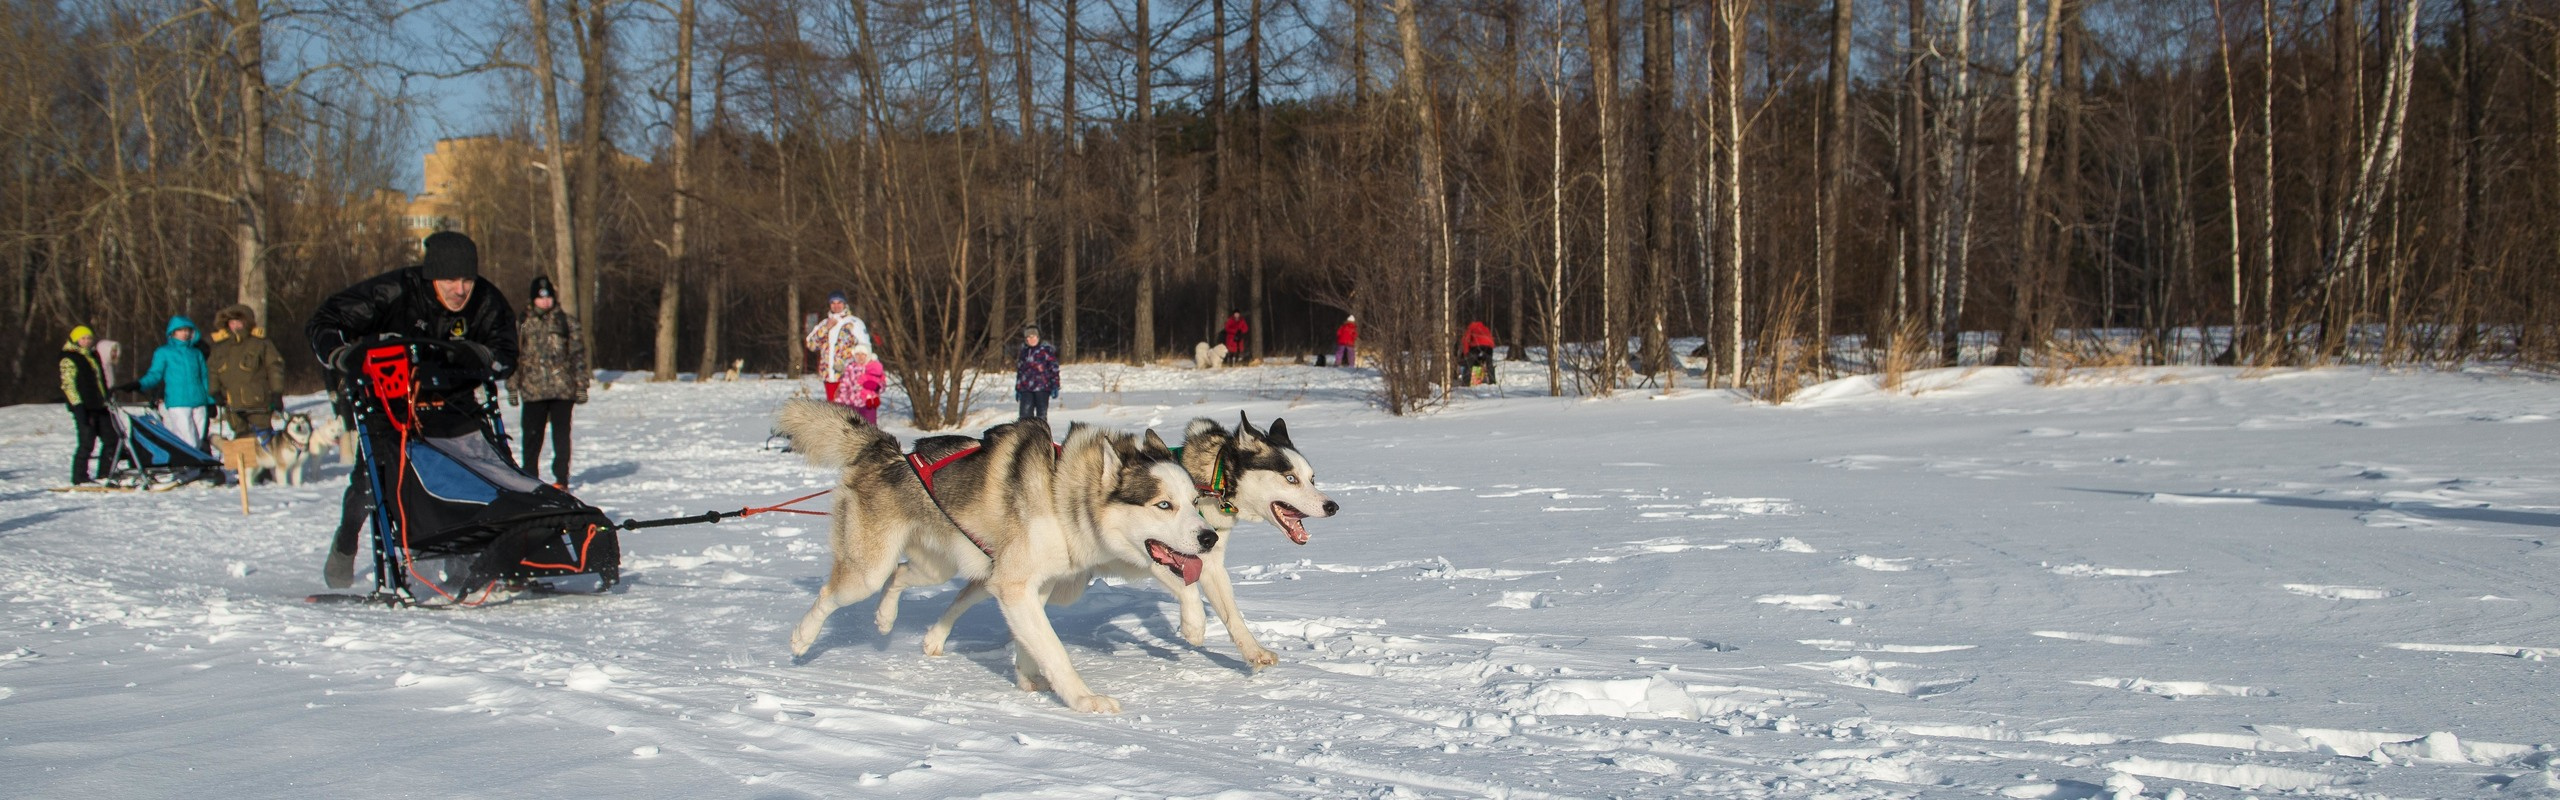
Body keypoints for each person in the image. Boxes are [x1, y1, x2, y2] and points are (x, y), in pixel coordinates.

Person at [304, 231, 518, 589]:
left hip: (454, 405)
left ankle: (465, 556)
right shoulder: (396, 291)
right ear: (432, 277)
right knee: (370, 485)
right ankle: (346, 538)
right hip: (390, 405)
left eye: (467, 280)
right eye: (450, 280)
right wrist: (341, 355)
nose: (460, 290)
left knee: (473, 477)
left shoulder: (487, 300)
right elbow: (324, 320)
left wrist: (481, 356)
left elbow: (506, 354)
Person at [509, 275, 588, 489]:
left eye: (548, 297)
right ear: (533, 299)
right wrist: (512, 387)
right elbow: (515, 357)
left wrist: (582, 385)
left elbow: (578, 356)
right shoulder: (522, 324)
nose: (545, 302)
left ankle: (561, 478)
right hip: (533, 390)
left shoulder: (567, 322)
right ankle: (529, 477)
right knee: (531, 437)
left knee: (561, 436)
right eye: (540, 298)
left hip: (562, 390)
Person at [128, 316, 214, 449]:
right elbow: (155, 374)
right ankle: (186, 462)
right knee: (189, 441)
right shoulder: (164, 352)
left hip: (199, 402)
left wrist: (210, 400)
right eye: (180, 330)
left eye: (187, 330)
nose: (185, 333)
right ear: (173, 332)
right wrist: (139, 384)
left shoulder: (196, 353)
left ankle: (187, 462)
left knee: (198, 441)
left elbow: (204, 378)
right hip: (178, 401)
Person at [207, 304, 287, 438]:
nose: (235, 326)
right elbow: (213, 371)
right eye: (232, 323)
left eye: (238, 322)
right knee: (241, 440)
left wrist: (277, 392)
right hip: (232, 403)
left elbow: (275, 368)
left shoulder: (260, 343)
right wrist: (214, 392)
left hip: (258, 402)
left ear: (246, 322)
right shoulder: (220, 348)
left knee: (263, 438)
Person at [59, 325, 115, 486]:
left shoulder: (93, 355)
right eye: (82, 338)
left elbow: (100, 379)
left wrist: (106, 394)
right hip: (84, 406)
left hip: (100, 405)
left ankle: (105, 473)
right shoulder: (69, 358)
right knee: (87, 442)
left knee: (112, 439)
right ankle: (79, 477)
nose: (86, 341)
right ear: (75, 340)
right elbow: (68, 384)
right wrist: (77, 405)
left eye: (89, 338)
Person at [804, 290, 871, 409]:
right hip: (829, 376)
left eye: (839, 302)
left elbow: (866, 347)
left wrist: (861, 369)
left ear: (844, 303)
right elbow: (811, 344)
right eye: (833, 303)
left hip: (848, 375)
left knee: (848, 410)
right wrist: (826, 328)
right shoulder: (824, 323)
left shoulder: (854, 322)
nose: (836, 306)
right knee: (833, 410)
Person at [1014, 326, 1058, 422]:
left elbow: (1054, 369)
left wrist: (1055, 385)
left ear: (1038, 337)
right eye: (1029, 337)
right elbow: (1020, 371)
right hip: (1026, 389)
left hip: (1042, 388)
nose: (1031, 339)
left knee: (1041, 416)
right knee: (1025, 416)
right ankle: (1025, 432)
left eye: (1033, 337)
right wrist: (1018, 388)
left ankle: (1040, 432)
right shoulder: (1024, 352)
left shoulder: (1046, 351)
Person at [848, 344, 886, 426]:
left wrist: (877, 386)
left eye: (863, 354)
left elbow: (882, 383)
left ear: (868, 355)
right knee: (854, 427)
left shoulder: (874, 367)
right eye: (857, 354)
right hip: (852, 403)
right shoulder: (850, 367)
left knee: (870, 425)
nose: (860, 357)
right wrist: (841, 400)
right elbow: (844, 385)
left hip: (869, 403)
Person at [1462, 320, 1497, 386]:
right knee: (1489, 364)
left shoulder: (1471, 327)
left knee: (1469, 364)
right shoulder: (1485, 328)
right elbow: (1490, 338)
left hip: (1476, 345)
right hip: (1489, 346)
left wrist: (1466, 352)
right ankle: (1492, 381)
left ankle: (1466, 383)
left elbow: (1466, 339)